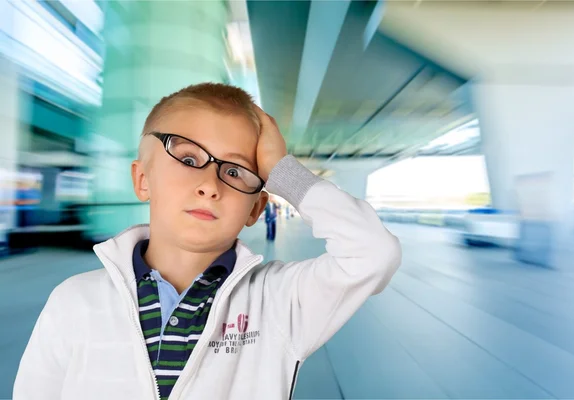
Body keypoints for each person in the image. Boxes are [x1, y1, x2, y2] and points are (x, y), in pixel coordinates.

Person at [13, 83, 402, 400]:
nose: (209, 186)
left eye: (235, 171)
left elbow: (373, 254)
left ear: (255, 209)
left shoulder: (278, 301)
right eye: (187, 158)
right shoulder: (74, 301)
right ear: (142, 179)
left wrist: (285, 173)